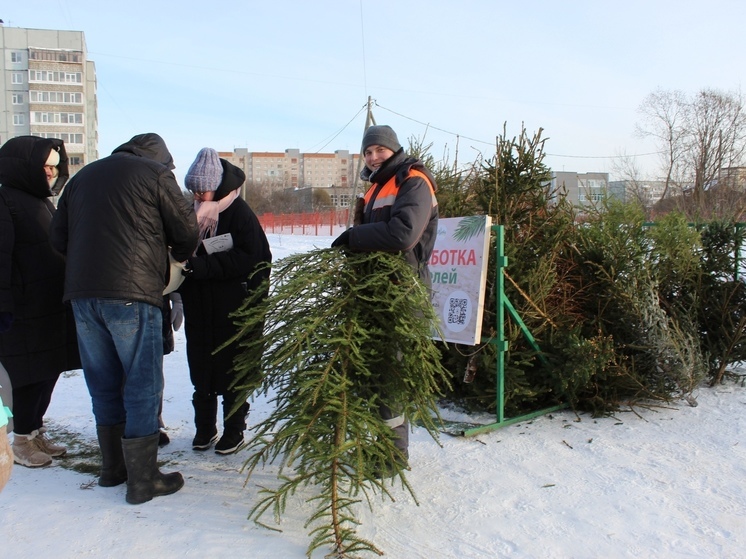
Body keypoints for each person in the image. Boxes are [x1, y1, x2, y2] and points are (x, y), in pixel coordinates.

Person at [49, 133, 199, 504]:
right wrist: (173, 259)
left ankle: (113, 468)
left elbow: (57, 237)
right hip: (132, 293)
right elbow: (186, 231)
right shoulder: (155, 174)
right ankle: (144, 480)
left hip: (83, 296)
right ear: (162, 159)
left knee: (102, 381)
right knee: (141, 382)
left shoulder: (83, 177)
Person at [331, 125, 438, 473]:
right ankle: (379, 445)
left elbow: (403, 234)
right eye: (368, 151)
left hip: (402, 294)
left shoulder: (413, 180)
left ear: (394, 149)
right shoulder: (377, 186)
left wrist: (353, 236)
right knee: (374, 375)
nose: (373, 157)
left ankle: (394, 456)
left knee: (390, 376)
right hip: (375, 293)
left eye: (380, 150)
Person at [179, 148, 271, 455]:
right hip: (199, 305)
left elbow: (251, 258)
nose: (197, 195)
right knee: (201, 368)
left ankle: (234, 430)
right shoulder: (189, 211)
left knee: (233, 371)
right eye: (193, 189)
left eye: (202, 189)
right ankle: (205, 429)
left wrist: (201, 266)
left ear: (217, 185)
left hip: (235, 306)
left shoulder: (240, 213)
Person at [0, 136, 81, 468]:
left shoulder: (43, 202)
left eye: (53, 166)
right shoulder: (4, 200)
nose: (51, 172)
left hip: (49, 306)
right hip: (21, 310)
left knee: (48, 371)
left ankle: (35, 431)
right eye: (44, 166)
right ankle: (20, 440)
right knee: (27, 376)